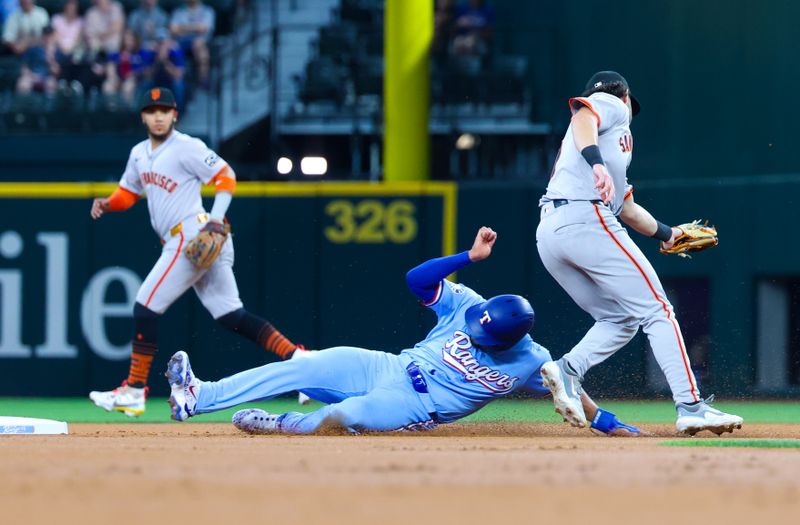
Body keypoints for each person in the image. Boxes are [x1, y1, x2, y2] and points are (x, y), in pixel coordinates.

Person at [165, 227, 641, 437]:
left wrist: (608, 423)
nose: (476, 333)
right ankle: (197, 396)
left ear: (511, 340)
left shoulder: (532, 360)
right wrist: (469, 260)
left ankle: (285, 426)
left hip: (417, 406)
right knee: (300, 364)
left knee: (342, 416)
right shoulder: (472, 306)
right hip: (390, 365)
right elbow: (417, 279)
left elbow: (573, 394)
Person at [535, 70, 743, 436]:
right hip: (585, 218)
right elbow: (583, 114)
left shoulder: (610, 153)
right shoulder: (611, 106)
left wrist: (669, 234)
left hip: (552, 232)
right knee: (658, 310)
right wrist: (597, 163)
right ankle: (691, 406)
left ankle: (567, 370)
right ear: (626, 97)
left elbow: (627, 209)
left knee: (621, 319)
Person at [88, 87, 303, 417]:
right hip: (192, 237)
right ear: (143, 116)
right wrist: (109, 203)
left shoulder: (187, 147)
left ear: (175, 114)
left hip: (192, 234)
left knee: (145, 307)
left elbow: (226, 175)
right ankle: (299, 360)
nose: (158, 116)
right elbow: (128, 192)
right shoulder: (138, 154)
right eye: (151, 110)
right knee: (232, 315)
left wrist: (216, 219)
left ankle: (133, 390)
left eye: (164, 110)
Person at [169, 0, 213, 85]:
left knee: (200, 47)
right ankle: (177, 84)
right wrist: (195, 28)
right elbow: (173, 30)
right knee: (169, 47)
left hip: (199, 44)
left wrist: (182, 28)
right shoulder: (179, 12)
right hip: (181, 44)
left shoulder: (207, 11)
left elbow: (204, 28)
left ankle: (203, 82)